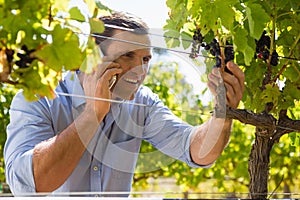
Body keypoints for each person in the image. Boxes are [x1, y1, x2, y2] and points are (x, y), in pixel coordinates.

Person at [4, 11, 245, 196]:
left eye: (146, 59)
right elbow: (32, 184)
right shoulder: (38, 99)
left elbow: (197, 151)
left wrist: (222, 114)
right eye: (127, 55)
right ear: (92, 57)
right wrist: (92, 115)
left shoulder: (142, 103)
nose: (140, 70)